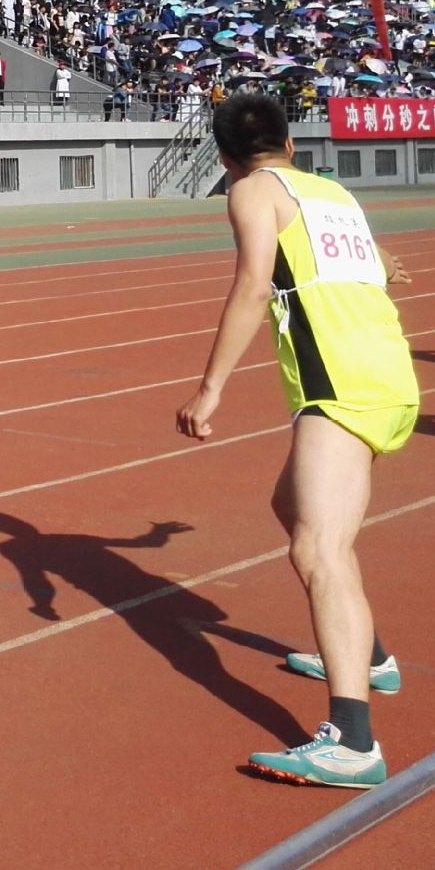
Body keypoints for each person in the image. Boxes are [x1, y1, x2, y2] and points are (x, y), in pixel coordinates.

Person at [176, 96, 418, 788]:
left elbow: (254, 284)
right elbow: (379, 262)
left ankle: (352, 740)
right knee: (291, 507)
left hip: (340, 384)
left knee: (318, 549)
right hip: (387, 373)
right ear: (288, 142)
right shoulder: (330, 192)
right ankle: (368, 657)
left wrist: (210, 388)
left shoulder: (252, 190)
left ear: (226, 159)